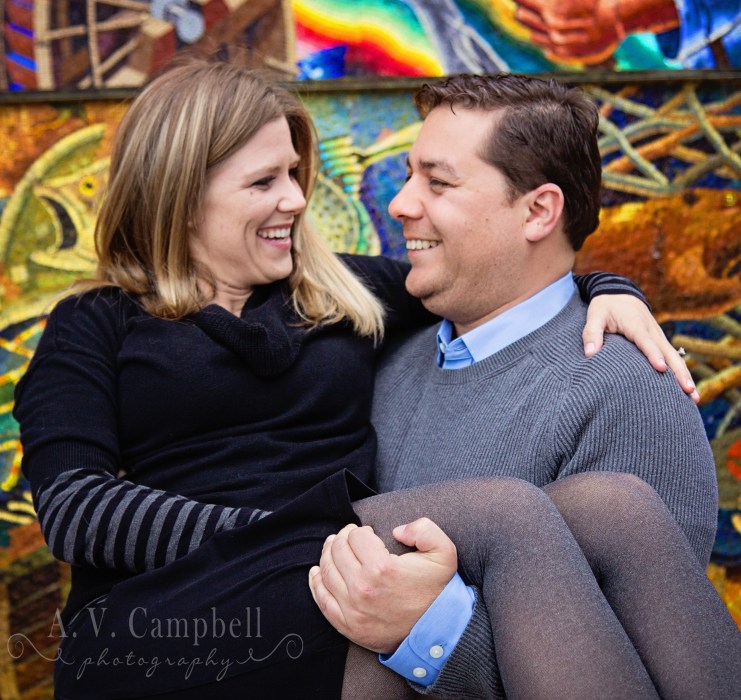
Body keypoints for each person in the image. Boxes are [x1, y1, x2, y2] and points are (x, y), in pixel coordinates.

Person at [11, 58, 709, 699]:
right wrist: (303, 540)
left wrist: (608, 289)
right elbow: (75, 509)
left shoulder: (339, 295)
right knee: (508, 511)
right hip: (175, 617)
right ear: (183, 196)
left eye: (295, 174)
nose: (295, 200)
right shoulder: (96, 323)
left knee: (615, 505)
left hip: (320, 588)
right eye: (263, 182)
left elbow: (504, 274)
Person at [309, 73, 741, 698]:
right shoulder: (384, 358)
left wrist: (430, 633)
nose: (400, 204)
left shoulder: (628, 394)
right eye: (408, 176)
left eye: (438, 182)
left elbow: (635, 679)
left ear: (538, 211)